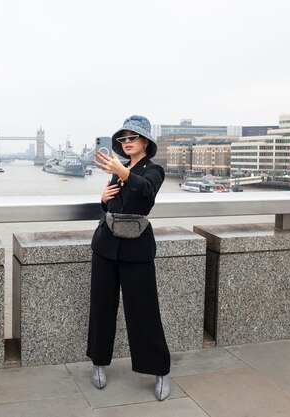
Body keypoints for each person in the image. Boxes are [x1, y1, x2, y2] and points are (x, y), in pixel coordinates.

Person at [87, 115, 171, 401]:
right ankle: (98, 362)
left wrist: (122, 174)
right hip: (106, 246)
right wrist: (103, 197)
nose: (126, 143)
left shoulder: (154, 170)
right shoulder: (119, 170)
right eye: (122, 139)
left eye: (131, 138)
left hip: (137, 249)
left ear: (144, 141)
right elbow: (114, 205)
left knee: (144, 311)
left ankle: (160, 369)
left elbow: (145, 195)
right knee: (101, 306)